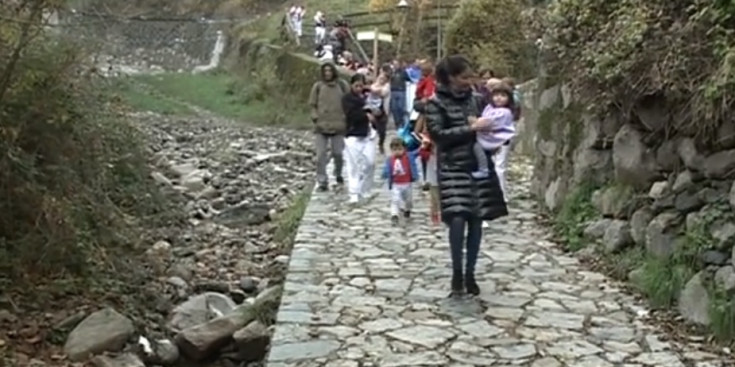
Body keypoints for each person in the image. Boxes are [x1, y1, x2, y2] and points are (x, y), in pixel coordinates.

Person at [425, 55, 508, 297]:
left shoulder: (477, 99)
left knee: (476, 219)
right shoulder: (435, 102)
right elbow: (439, 134)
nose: (468, 81)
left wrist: (494, 137)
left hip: (477, 165)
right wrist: (470, 129)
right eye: (463, 77)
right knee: (458, 218)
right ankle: (456, 272)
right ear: (450, 77)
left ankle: (470, 272)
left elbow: (491, 124)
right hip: (452, 166)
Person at [308, 63, 350, 192]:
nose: (327, 73)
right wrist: (315, 117)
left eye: (329, 71)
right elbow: (312, 104)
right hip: (321, 126)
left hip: (338, 125)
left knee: (338, 153)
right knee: (320, 155)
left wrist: (346, 117)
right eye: (325, 71)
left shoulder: (342, 86)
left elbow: (349, 102)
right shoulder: (318, 86)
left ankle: (338, 175)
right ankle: (322, 181)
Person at [342, 73, 378, 204]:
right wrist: (365, 115)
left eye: (361, 86)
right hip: (353, 135)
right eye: (356, 86)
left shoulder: (369, 97)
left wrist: (376, 115)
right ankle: (354, 193)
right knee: (353, 166)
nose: (359, 88)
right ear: (351, 85)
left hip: (368, 134)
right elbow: (350, 115)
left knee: (370, 163)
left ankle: (365, 189)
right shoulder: (347, 99)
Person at [471, 83, 516, 180]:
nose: (499, 98)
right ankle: (484, 169)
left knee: (499, 168)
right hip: (489, 137)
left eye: (503, 96)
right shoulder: (489, 108)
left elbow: (489, 122)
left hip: (502, 140)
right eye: (496, 95)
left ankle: (502, 193)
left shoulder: (505, 112)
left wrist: (475, 122)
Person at [381, 138, 419, 226]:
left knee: (408, 199)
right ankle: (394, 214)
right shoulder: (390, 160)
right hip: (396, 183)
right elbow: (387, 168)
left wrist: (423, 147)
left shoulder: (409, 157)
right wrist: (384, 174)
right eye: (394, 150)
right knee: (395, 199)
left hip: (407, 183)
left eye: (400, 149)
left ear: (404, 149)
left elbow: (417, 153)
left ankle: (407, 209)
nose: (397, 152)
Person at [389, 59, 410, 129]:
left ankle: (402, 122)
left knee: (401, 107)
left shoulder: (403, 72)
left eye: (397, 64)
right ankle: (397, 123)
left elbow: (408, 79)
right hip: (393, 91)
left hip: (401, 91)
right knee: (394, 108)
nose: (395, 66)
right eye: (394, 64)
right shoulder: (391, 72)